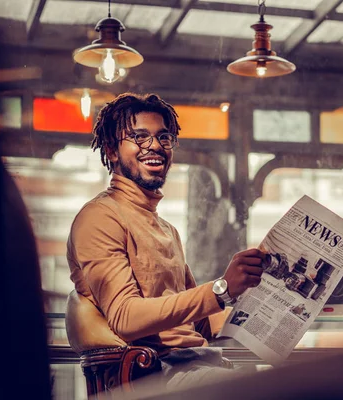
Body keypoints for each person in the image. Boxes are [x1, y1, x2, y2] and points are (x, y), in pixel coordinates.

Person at [66, 92, 265, 389]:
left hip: (199, 362)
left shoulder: (167, 229)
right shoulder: (99, 217)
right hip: (158, 374)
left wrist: (259, 303)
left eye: (163, 137)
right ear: (111, 150)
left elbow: (197, 322)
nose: (155, 146)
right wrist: (220, 291)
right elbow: (124, 317)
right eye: (140, 137)